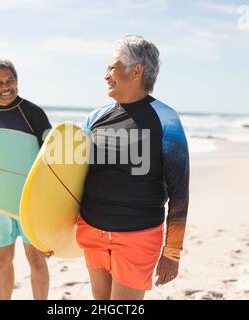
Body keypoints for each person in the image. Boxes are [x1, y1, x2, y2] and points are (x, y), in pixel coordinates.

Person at [78, 35, 190, 300]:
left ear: (136, 70)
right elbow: (72, 177)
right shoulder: (95, 118)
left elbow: (179, 191)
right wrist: (50, 231)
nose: (106, 75)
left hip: (137, 236)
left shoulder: (166, 120)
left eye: (112, 67)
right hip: (92, 230)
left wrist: (172, 252)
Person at [0, 59, 51, 300]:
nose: (6, 87)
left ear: (17, 82)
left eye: (10, 81)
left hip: (30, 200)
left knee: (35, 257)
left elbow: (51, 157)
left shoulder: (32, 113)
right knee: (1, 258)